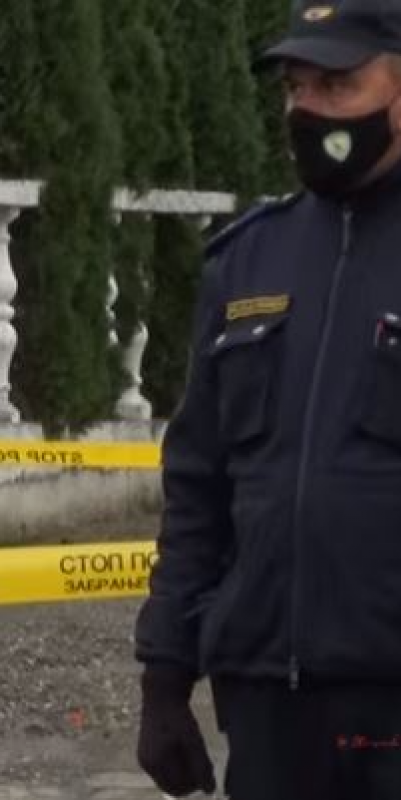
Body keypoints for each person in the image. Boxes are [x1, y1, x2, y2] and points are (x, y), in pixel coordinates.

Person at [134, 1, 401, 797]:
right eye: (294, 87)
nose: (307, 109)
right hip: (268, 706)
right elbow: (199, 484)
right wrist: (165, 674)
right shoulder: (250, 258)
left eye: (337, 85)